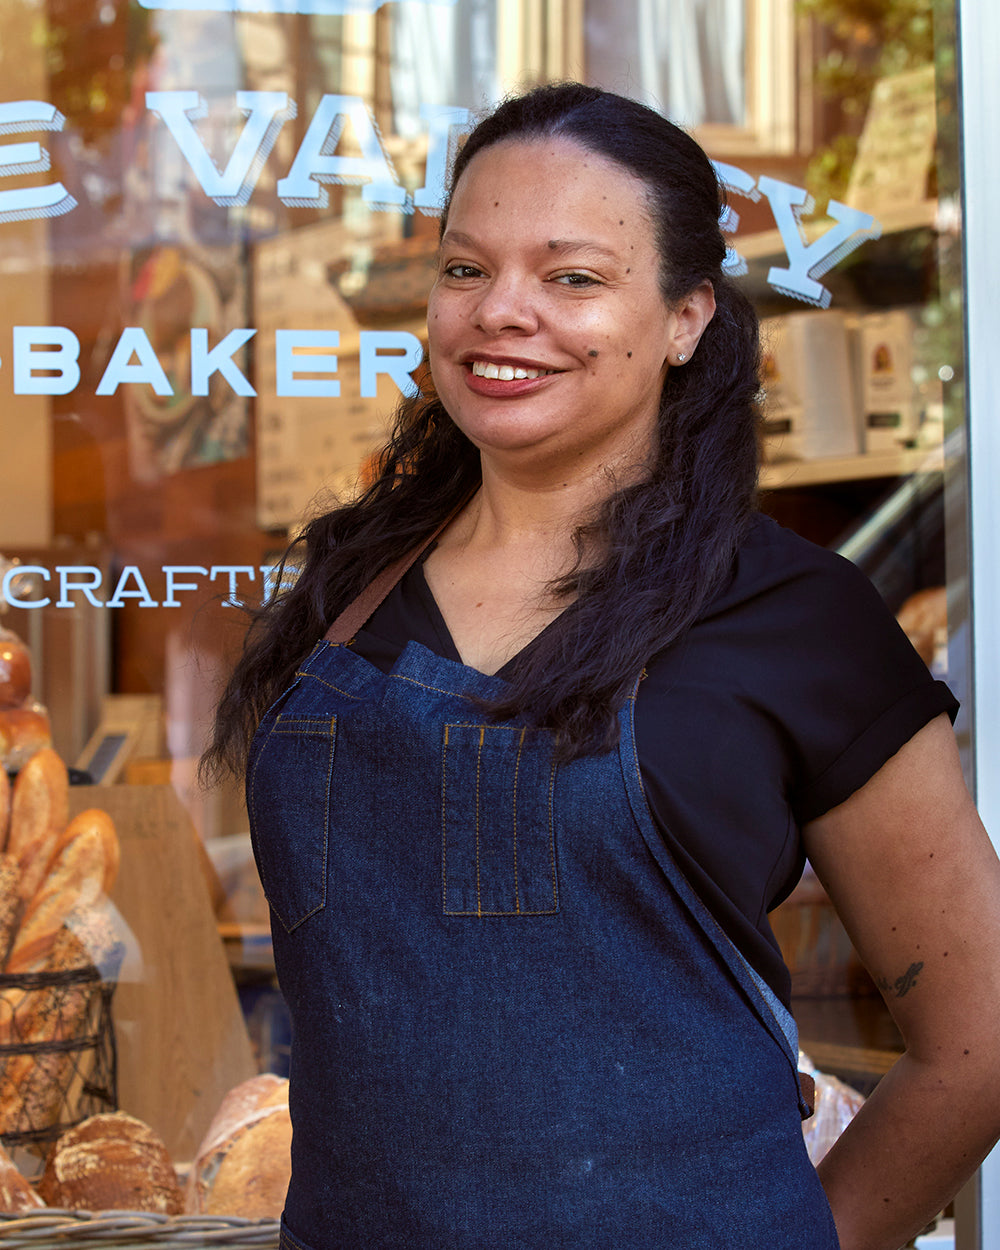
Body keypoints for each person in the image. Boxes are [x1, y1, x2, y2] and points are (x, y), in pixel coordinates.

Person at [205, 82, 1000, 1250]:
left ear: (685, 318)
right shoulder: (342, 590)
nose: (501, 313)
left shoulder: (793, 615)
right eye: (466, 269)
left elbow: (977, 1032)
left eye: (571, 277)